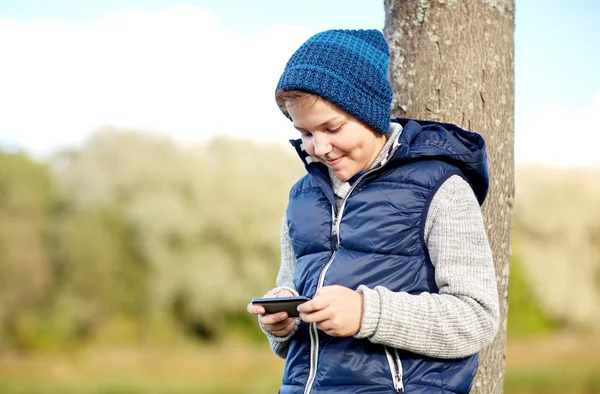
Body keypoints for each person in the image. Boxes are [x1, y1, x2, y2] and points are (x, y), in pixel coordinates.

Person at [247, 28, 500, 394]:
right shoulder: (302, 198)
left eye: (332, 128)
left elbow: (476, 317)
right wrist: (281, 324)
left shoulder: (440, 189)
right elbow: (293, 315)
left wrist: (368, 313)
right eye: (304, 134)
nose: (319, 147)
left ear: (370, 112)